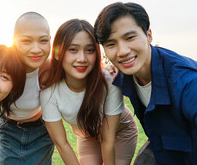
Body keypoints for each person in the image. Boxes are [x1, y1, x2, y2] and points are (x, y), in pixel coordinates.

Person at [93, 2, 197, 165]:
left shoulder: (189, 82)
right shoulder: (125, 74)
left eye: (130, 38)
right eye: (111, 44)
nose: (122, 51)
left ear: (149, 35)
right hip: (163, 147)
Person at [40, 19, 138, 165]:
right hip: (88, 135)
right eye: (73, 49)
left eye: (90, 50)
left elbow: (107, 139)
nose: (82, 59)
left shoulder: (109, 81)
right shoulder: (49, 93)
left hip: (120, 132)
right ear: (58, 53)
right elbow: (61, 143)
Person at [0, 12, 55, 165]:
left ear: (50, 41)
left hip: (41, 130)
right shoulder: (1, 66)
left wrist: (106, 71)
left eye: (43, 41)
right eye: (26, 41)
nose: (36, 49)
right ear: (14, 42)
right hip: (9, 130)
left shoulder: (51, 68)